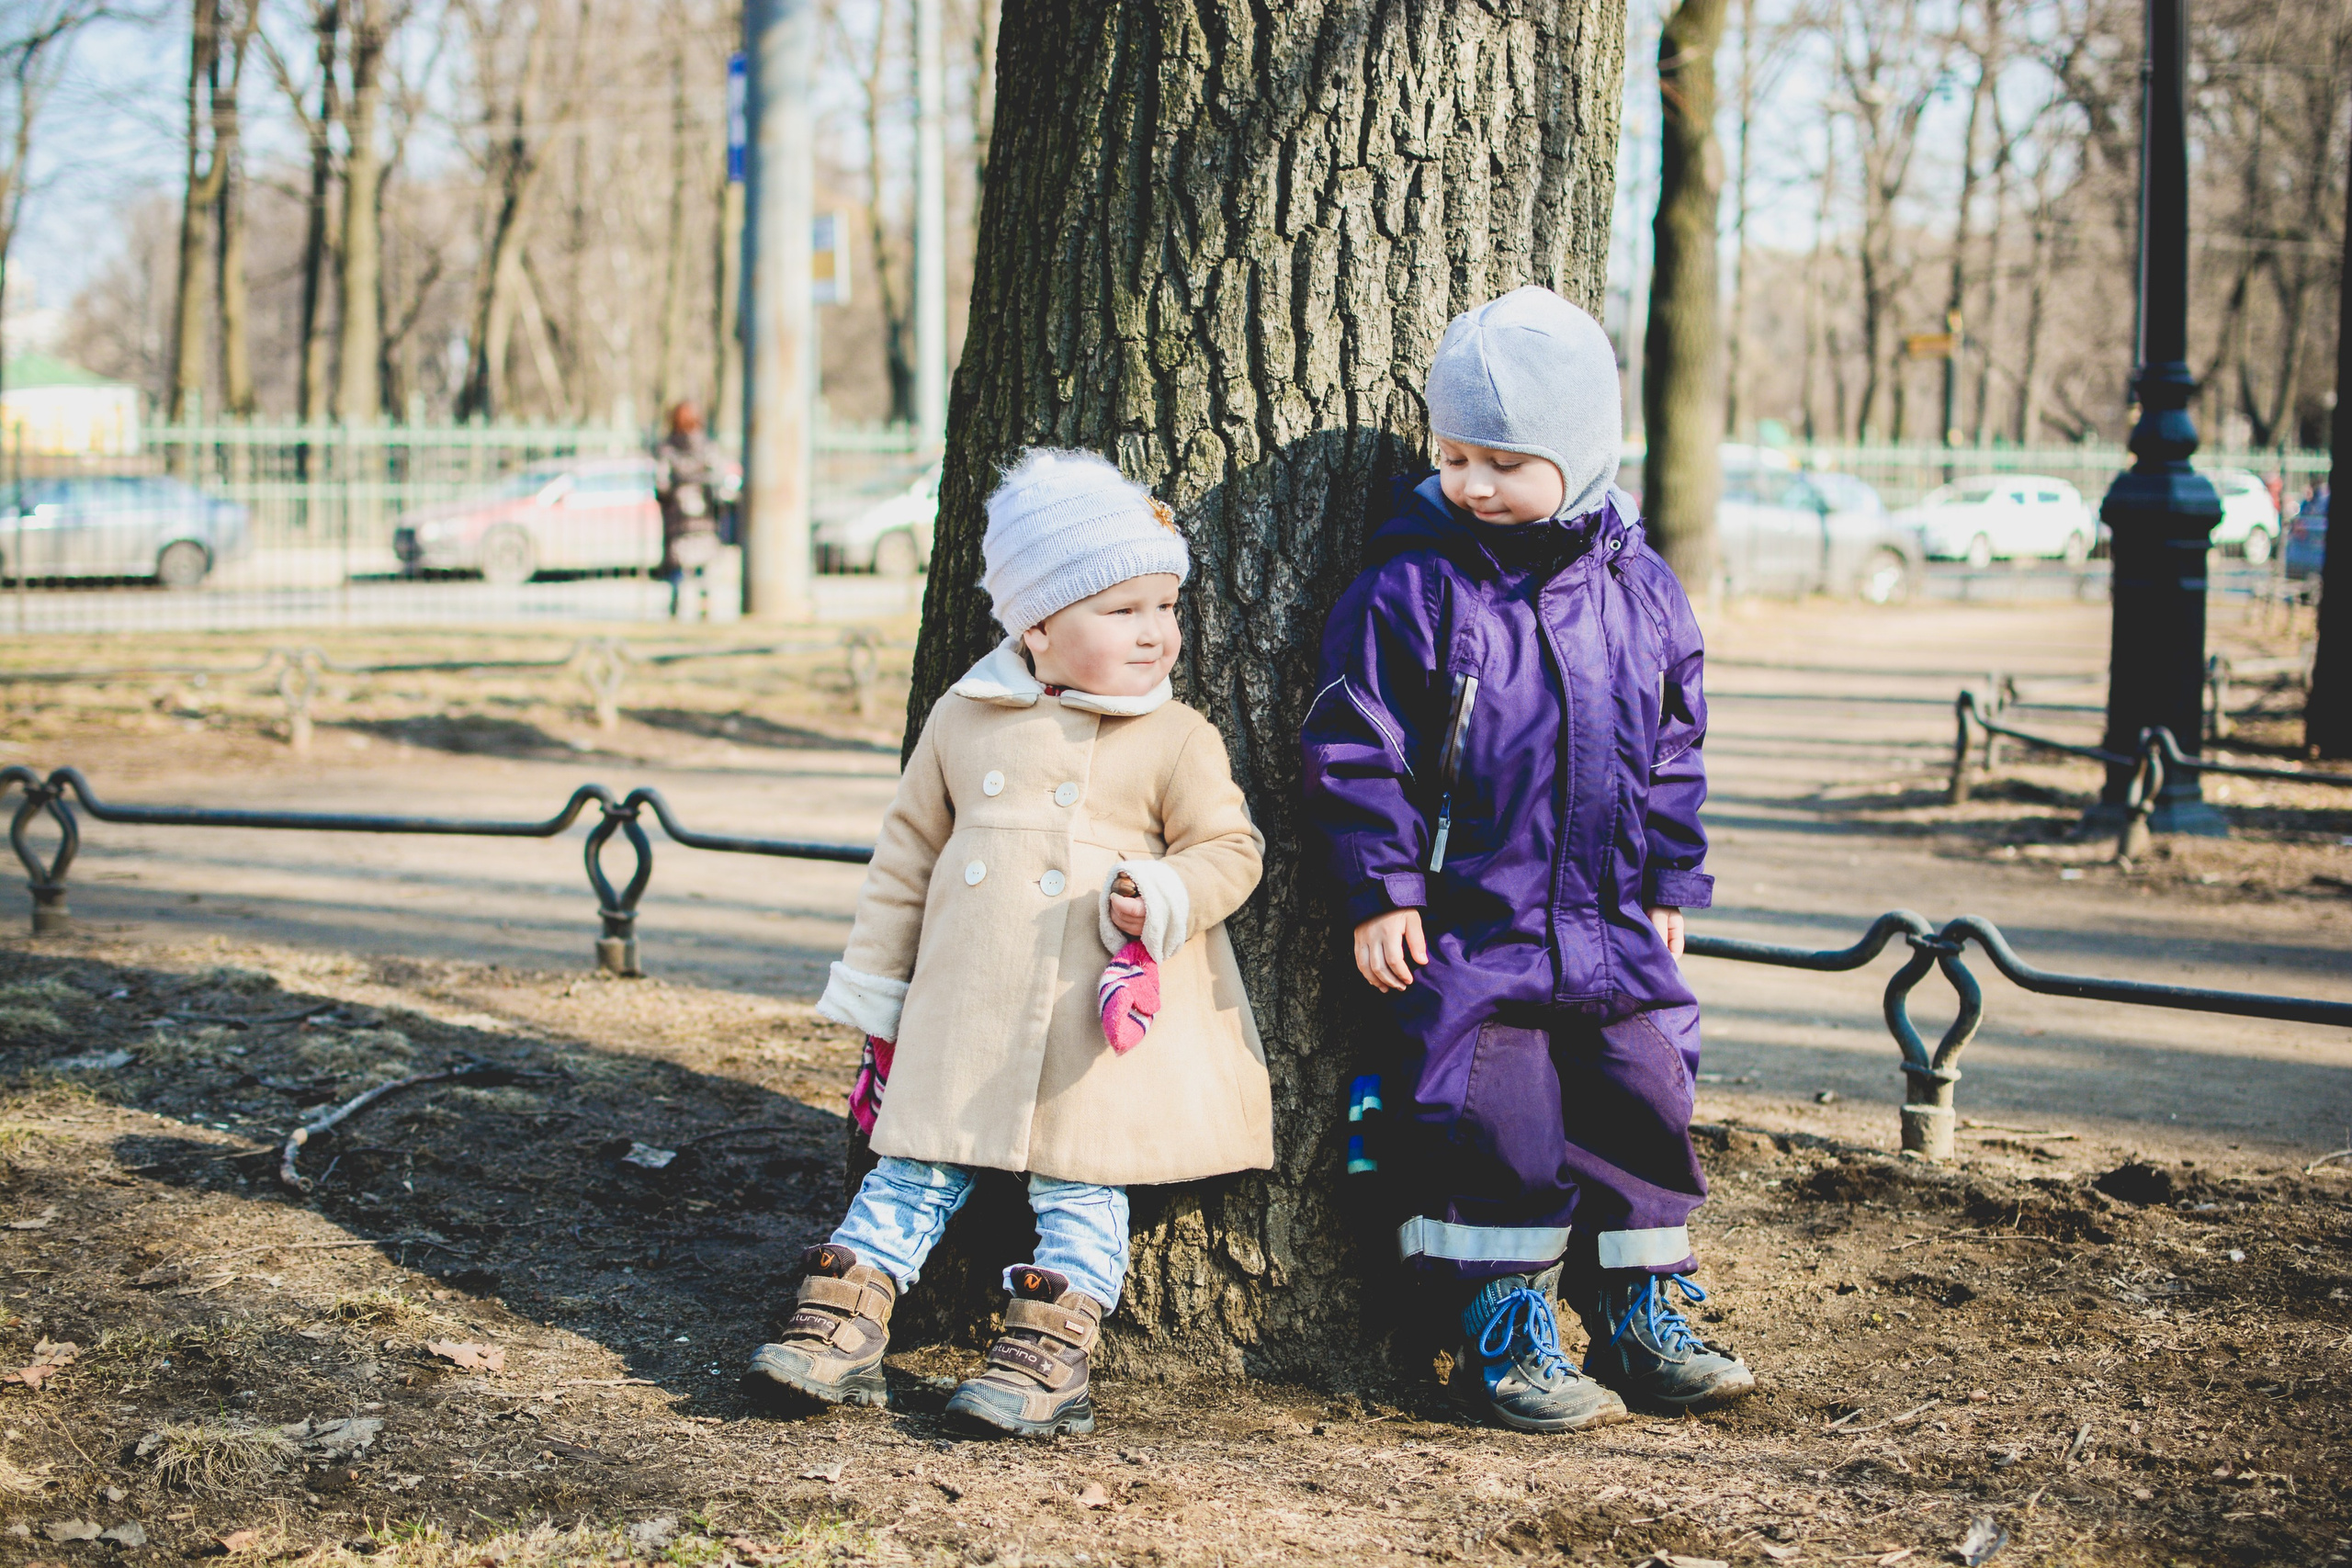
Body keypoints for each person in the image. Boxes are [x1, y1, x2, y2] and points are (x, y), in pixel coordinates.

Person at [1301, 286, 1755, 1434]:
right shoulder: (1414, 585)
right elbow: (1357, 744)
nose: (1472, 484)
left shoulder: (1640, 589)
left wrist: (1670, 879)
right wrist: (1383, 887)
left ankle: (1640, 1308)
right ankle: (1504, 1325)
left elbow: (1673, 747)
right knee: (1491, 1118)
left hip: (1610, 920)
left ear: (1582, 453)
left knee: (1644, 1098)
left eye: (1505, 463)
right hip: (1477, 923)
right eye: (1454, 456)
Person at [747, 447, 1272, 1438]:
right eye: (1122, 610)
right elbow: (906, 856)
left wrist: (1165, 891)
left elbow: (1230, 850)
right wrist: (878, 991)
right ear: (1037, 625)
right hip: (966, 1006)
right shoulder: (965, 717)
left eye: (1166, 607)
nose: (1156, 632)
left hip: (1093, 1030)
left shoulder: (1176, 736)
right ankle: (844, 1318)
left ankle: (1049, 1349)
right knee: (913, 1162)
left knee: (1083, 1178)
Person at [654, 401, 729, 619]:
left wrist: (671, 498)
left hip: (677, 519)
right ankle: (705, 607)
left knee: (678, 568)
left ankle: (675, 607)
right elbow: (719, 482)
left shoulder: (667, 450)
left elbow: (661, 484)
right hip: (704, 518)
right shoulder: (708, 448)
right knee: (704, 568)